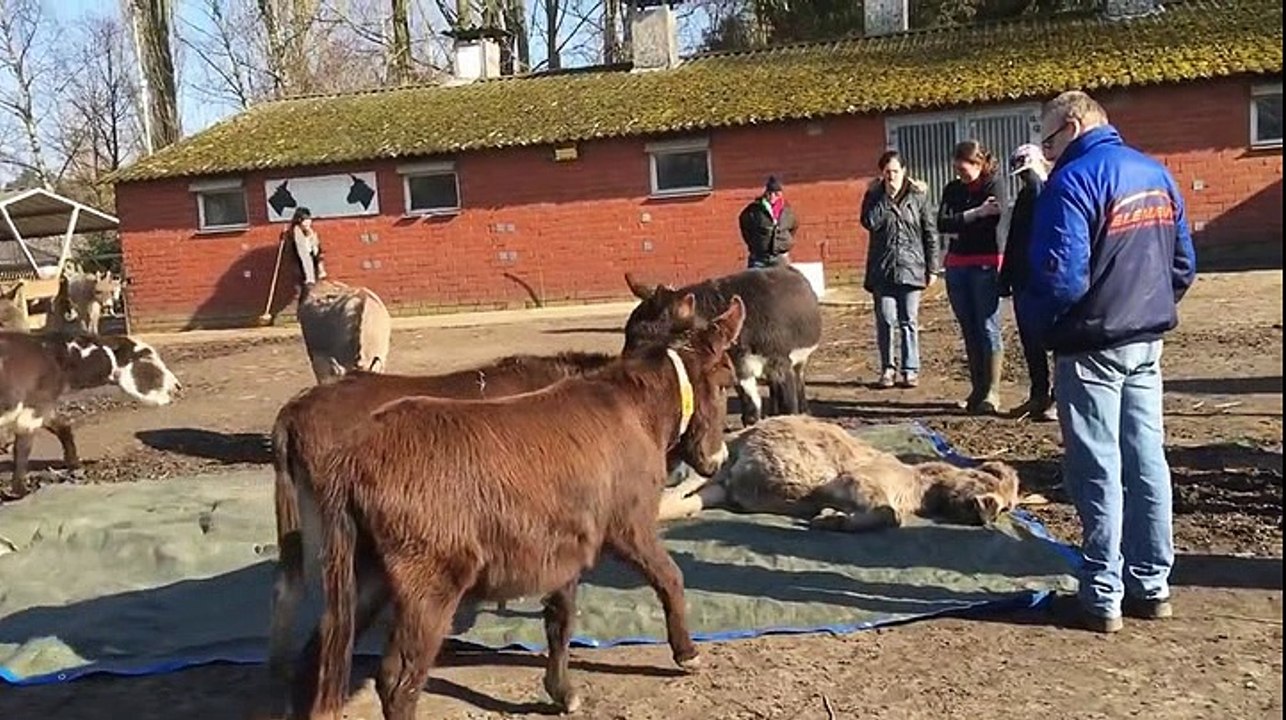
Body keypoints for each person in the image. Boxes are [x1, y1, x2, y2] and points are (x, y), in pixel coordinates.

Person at [1025, 90, 1196, 633]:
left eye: (1048, 139)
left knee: (1096, 467)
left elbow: (1061, 278)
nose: (1045, 151)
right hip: (1145, 342)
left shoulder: (1071, 183)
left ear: (1072, 127)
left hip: (1090, 345)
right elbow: (1183, 265)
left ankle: (1101, 593)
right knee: (1147, 461)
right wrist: (1147, 307)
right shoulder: (1156, 174)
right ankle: (1152, 585)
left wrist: (1040, 323)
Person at [860, 150, 940, 389]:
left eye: (895, 171)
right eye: (887, 172)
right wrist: (884, 198)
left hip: (911, 267)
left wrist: (932, 268)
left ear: (904, 171)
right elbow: (869, 223)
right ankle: (887, 368)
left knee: (908, 320)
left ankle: (910, 369)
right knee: (885, 319)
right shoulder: (874, 197)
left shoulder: (918, 197)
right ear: (881, 174)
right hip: (882, 269)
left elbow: (929, 233)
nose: (892, 176)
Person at [937, 140, 1007, 415]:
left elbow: (993, 223)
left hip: (985, 263)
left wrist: (962, 222)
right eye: (957, 170)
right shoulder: (953, 189)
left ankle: (993, 391)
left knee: (988, 325)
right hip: (957, 264)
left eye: (964, 169)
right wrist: (975, 214)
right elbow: (943, 222)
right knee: (968, 326)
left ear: (978, 164)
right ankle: (977, 388)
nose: (960, 175)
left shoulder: (994, 185)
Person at [999, 143, 1057, 422]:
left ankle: (1058, 398)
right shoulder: (1026, 196)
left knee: (1056, 340)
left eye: (1028, 172)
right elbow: (1014, 239)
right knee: (1030, 342)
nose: (1026, 178)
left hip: (1046, 278)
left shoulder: (1053, 192)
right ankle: (1038, 395)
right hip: (1024, 279)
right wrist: (1006, 275)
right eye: (1022, 175)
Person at [739, 176, 798, 269]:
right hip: (759, 256)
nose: (772, 197)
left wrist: (783, 242)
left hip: (780, 256)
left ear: (781, 194)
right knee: (756, 281)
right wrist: (755, 244)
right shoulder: (754, 210)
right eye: (769, 193)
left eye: (776, 193)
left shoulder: (787, 211)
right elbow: (745, 227)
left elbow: (793, 228)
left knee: (782, 281)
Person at [285, 206, 327, 291]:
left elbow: (318, 252)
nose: (308, 222)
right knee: (299, 293)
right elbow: (291, 252)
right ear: (299, 221)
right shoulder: (293, 235)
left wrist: (320, 268)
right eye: (305, 220)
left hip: (312, 268)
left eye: (309, 219)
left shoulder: (312, 234)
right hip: (299, 269)